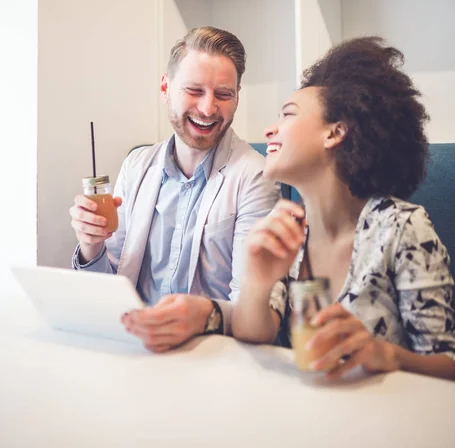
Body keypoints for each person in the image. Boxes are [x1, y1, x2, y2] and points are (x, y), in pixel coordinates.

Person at [232, 36, 455, 381]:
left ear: (335, 133)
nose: (269, 130)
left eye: (287, 115)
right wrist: (257, 282)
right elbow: (252, 334)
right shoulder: (290, 228)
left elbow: (447, 365)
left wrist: (384, 354)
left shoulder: (401, 227)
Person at [69, 26, 280, 352]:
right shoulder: (137, 165)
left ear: (237, 95)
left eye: (223, 95)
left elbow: (252, 308)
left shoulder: (256, 175)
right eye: (194, 90)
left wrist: (204, 316)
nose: (209, 109)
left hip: (211, 354)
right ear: (165, 87)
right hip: (132, 347)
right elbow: (108, 289)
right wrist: (90, 246)